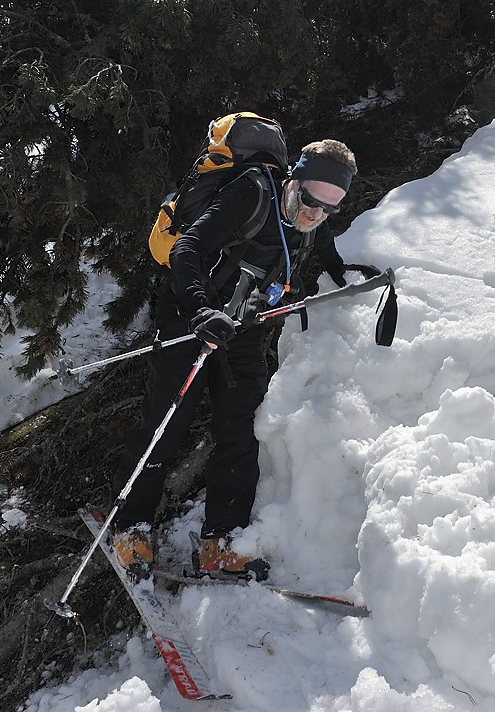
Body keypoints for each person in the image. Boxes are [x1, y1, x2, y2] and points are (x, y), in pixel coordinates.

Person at [110, 138, 380, 581]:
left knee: (240, 428)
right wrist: (199, 309)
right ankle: (129, 525)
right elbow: (187, 251)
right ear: (294, 178)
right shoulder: (252, 193)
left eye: (330, 208)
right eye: (310, 200)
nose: (315, 214)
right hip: (189, 319)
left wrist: (344, 270)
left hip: (242, 331)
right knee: (165, 423)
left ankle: (222, 540)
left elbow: (324, 245)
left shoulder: (315, 218)